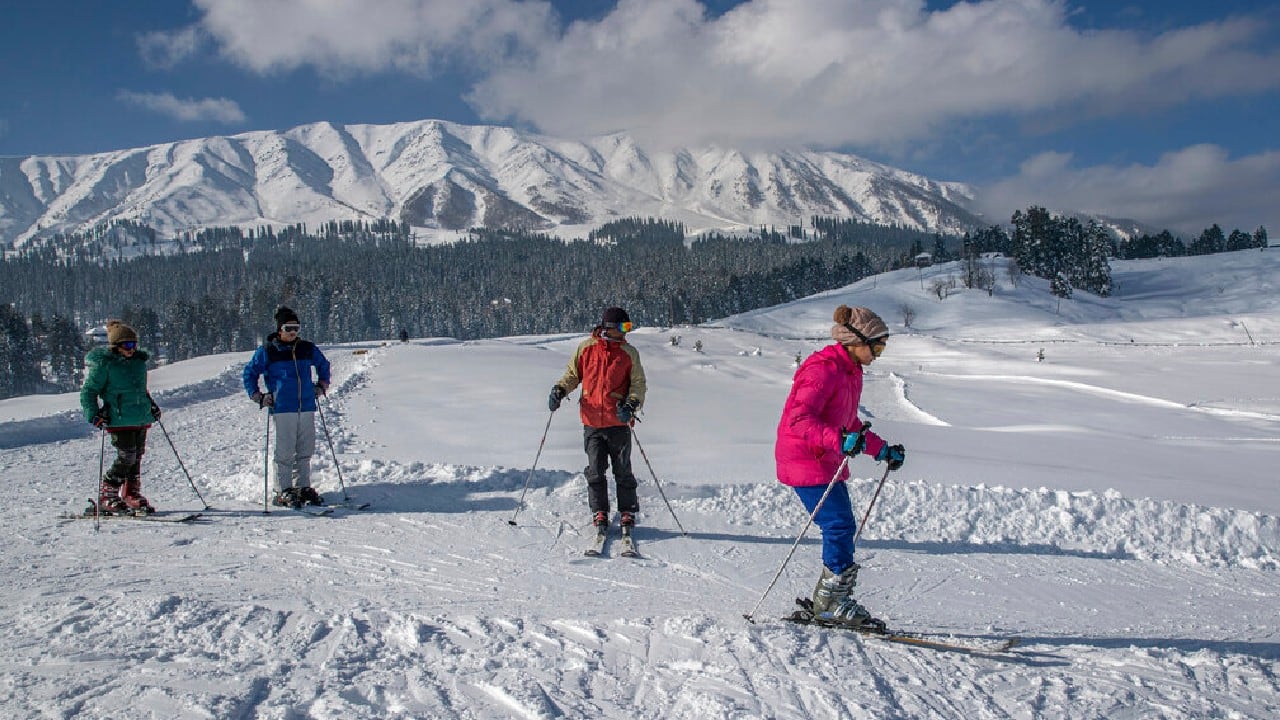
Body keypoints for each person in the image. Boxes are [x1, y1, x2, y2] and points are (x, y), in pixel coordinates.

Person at [775, 305, 906, 626]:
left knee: (841, 527)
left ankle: (828, 598)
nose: (879, 353)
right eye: (877, 346)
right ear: (856, 340)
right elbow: (799, 419)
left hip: (824, 459)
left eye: (883, 347)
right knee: (839, 526)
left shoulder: (848, 371)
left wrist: (881, 450)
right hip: (806, 459)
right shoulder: (823, 370)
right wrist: (840, 440)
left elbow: (848, 422)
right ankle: (832, 603)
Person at [548, 307, 648, 530]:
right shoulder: (586, 349)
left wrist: (632, 404)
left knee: (622, 470)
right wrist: (560, 390)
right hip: (592, 422)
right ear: (609, 328)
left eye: (628, 327)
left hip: (618, 422)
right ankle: (599, 511)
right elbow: (573, 375)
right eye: (624, 327)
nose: (626, 332)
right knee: (595, 469)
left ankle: (627, 511)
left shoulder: (629, 352)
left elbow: (638, 384)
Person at [243, 307, 332, 508]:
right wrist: (258, 396)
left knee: (305, 448)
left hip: (306, 405)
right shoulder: (268, 351)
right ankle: (282, 490)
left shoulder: (306, 348)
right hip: (283, 407)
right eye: (288, 327)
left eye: (296, 328)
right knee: (285, 450)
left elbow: (323, 365)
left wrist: (322, 385)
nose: (293, 332)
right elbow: (249, 373)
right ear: (279, 329)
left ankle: (302, 487)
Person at [80, 320, 162, 514]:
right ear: (115, 346)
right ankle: (107, 494)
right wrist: (93, 414)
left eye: (134, 344)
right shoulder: (105, 365)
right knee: (127, 456)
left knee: (136, 457)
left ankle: (131, 493)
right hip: (118, 418)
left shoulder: (138, 365)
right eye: (127, 345)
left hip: (140, 417)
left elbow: (141, 391)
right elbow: (88, 391)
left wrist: (151, 405)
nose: (131, 349)